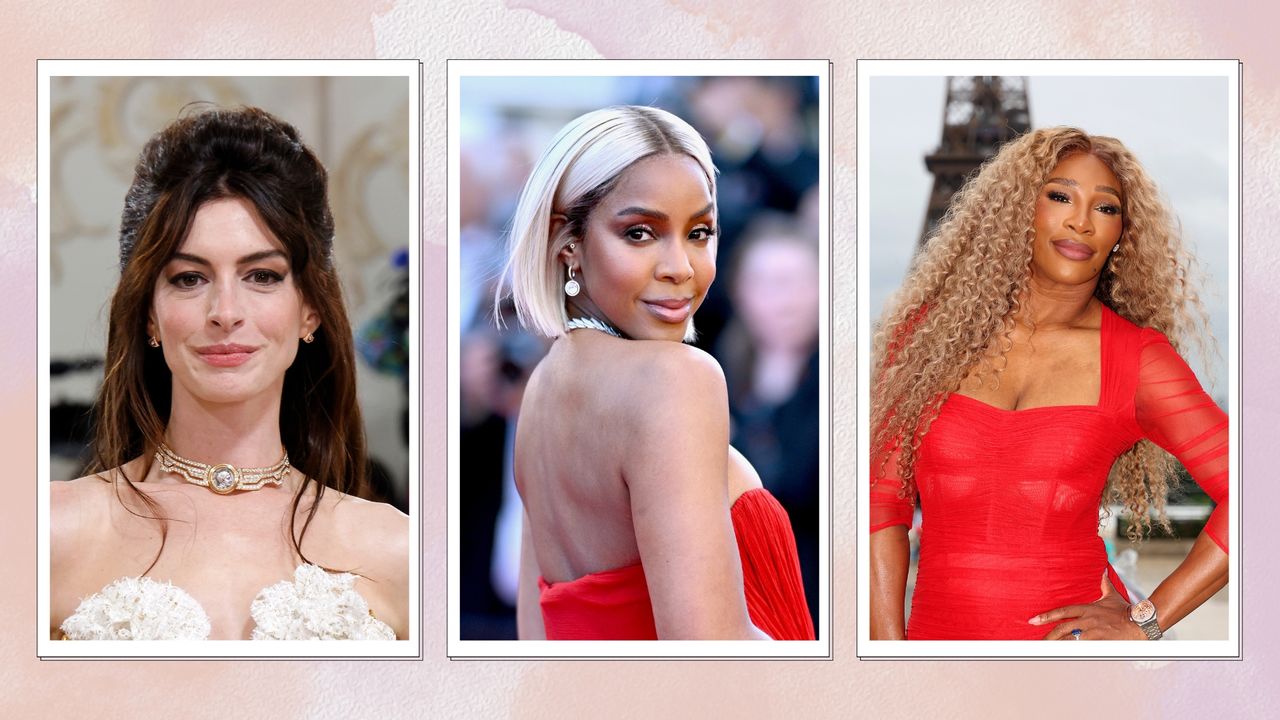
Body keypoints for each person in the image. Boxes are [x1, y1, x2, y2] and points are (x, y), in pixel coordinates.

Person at [50, 106, 409, 641]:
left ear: (309, 308)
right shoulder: (50, 531)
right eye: (190, 278)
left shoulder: (397, 549)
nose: (225, 311)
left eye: (261, 275)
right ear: (150, 312)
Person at [868, 127, 1228, 641]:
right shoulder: (927, 341)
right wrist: (887, 657)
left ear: (1123, 232)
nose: (1080, 221)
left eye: (1105, 208)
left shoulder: (1137, 360)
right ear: (1019, 210)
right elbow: (882, 507)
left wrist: (1146, 621)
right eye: (1059, 196)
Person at [498, 105, 814, 640]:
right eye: (640, 233)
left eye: (699, 232)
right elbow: (711, 661)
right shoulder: (677, 380)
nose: (681, 267)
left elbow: (539, 638)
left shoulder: (543, 388)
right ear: (567, 241)